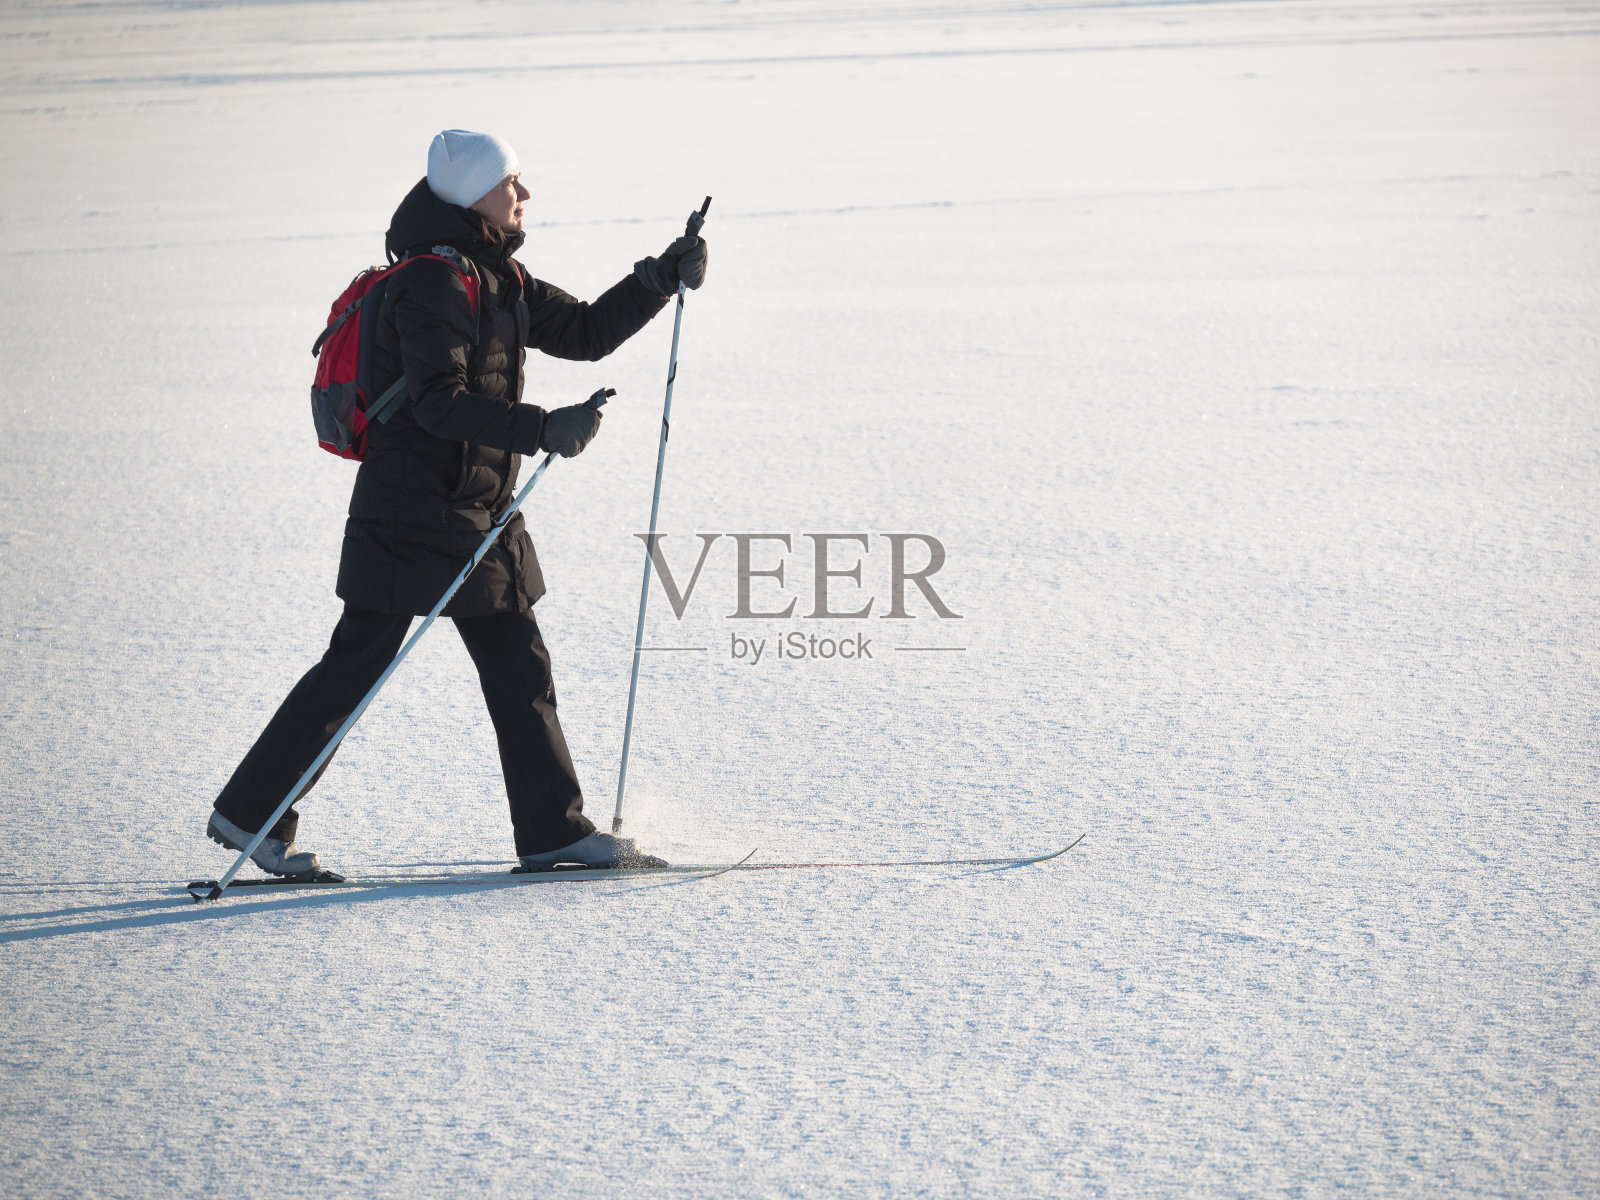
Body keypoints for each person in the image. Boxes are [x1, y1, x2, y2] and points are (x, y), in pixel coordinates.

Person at [206, 129, 706, 877]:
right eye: (512, 183)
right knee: (357, 667)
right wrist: (544, 428)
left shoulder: (496, 276)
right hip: (415, 511)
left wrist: (658, 279)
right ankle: (251, 817)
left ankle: (552, 834)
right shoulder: (434, 282)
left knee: (516, 666)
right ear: (475, 196)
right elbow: (440, 404)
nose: (524, 195)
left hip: (476, 509)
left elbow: (587, 332)